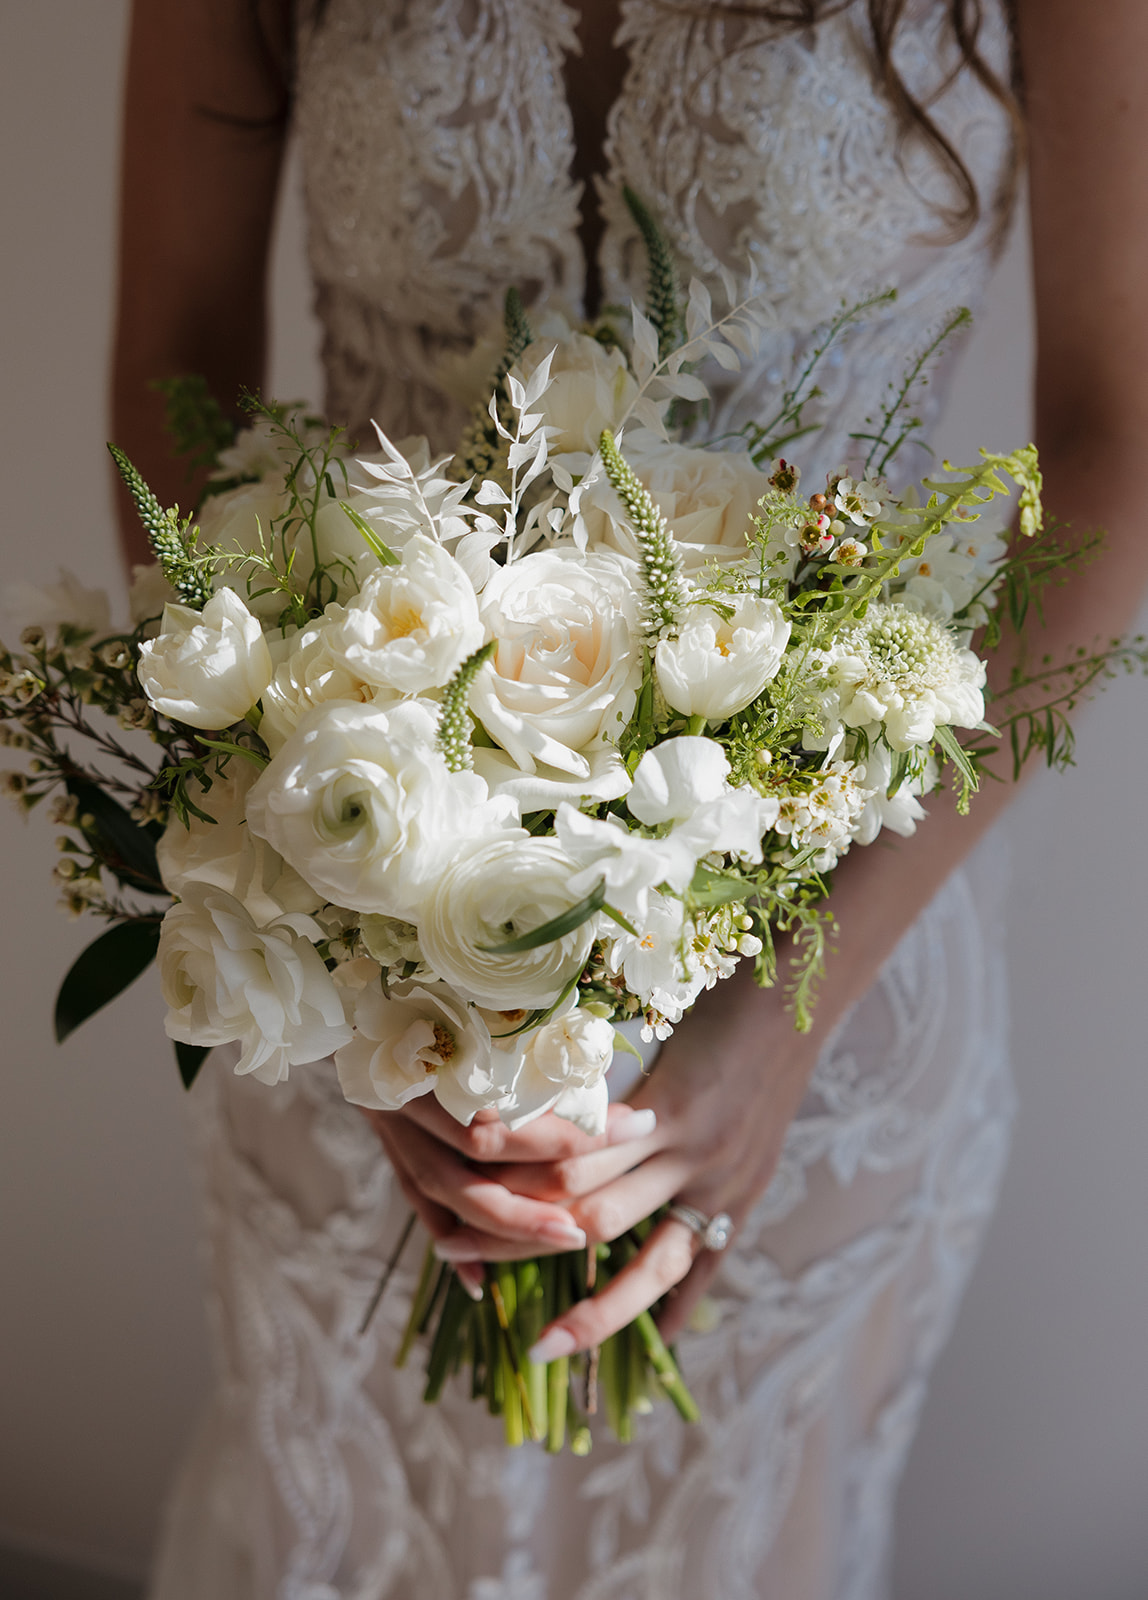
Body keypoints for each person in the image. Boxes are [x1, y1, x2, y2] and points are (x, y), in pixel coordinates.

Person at [113, 2, 1148, 1595]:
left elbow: (1118, 452)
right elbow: (174, 356)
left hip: (829, 963)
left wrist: (785, 1027)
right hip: (351, 950)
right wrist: (348, 951)